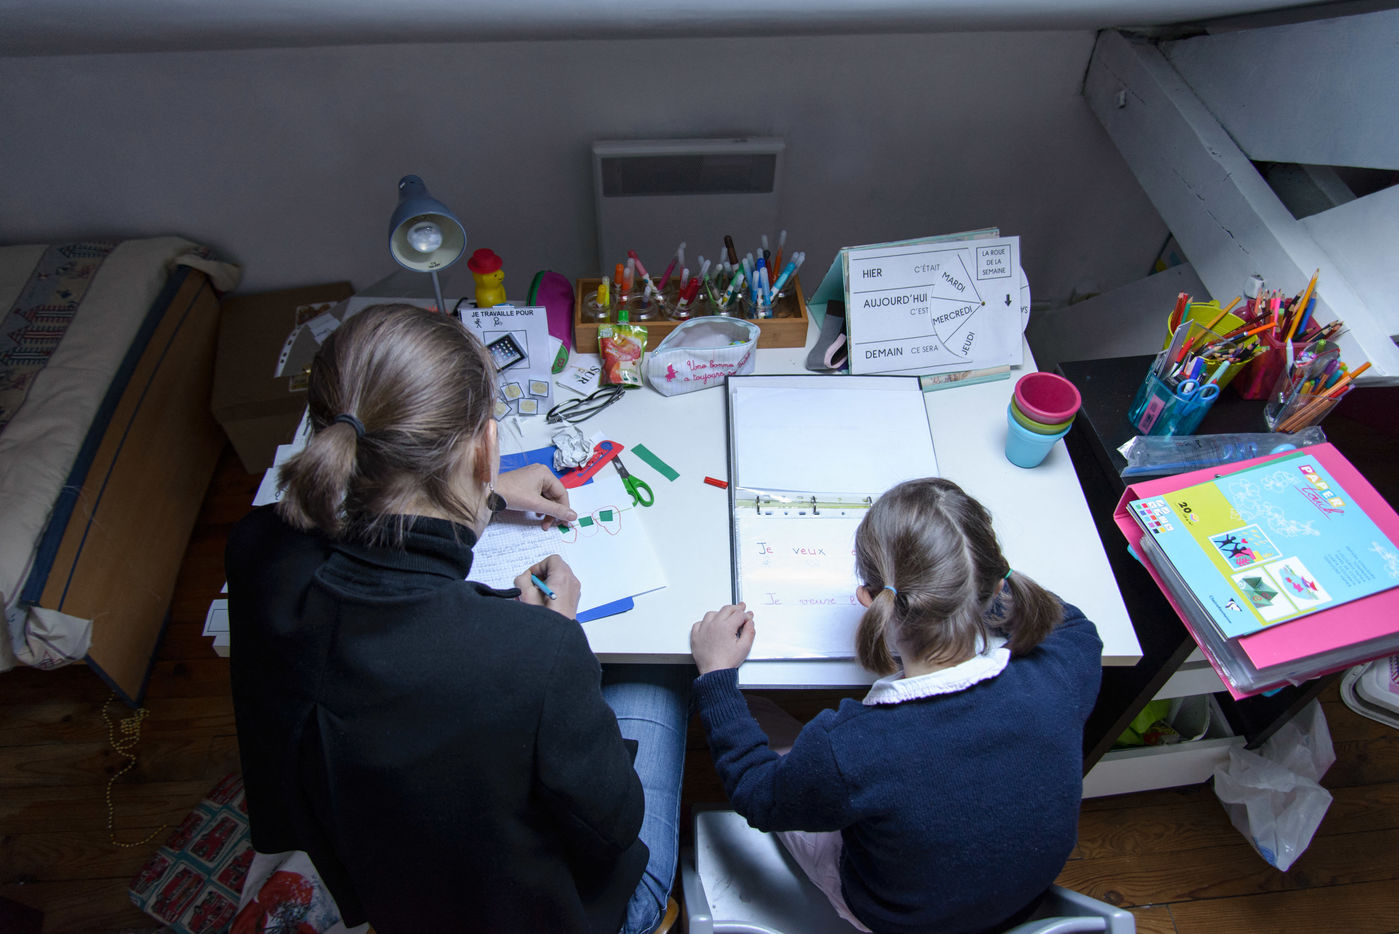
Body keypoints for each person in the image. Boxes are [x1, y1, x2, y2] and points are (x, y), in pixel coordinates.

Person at [226, 303, 688, 934]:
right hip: (546, 916)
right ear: (486, 447)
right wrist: (558, 635)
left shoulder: (256, 546)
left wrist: (486, 493)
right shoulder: (536, 654)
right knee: (663, 669)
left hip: (382, 885)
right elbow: (617, 827)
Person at [689, 477, 1104, 934]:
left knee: (760, 713)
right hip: (1018, 906)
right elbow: (1074, 625)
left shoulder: (850, 747)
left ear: (870, 600)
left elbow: (757, 793)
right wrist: (973, 580)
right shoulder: (1061, 672)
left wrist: (717, 676)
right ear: (992, 585)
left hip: (895, 917)